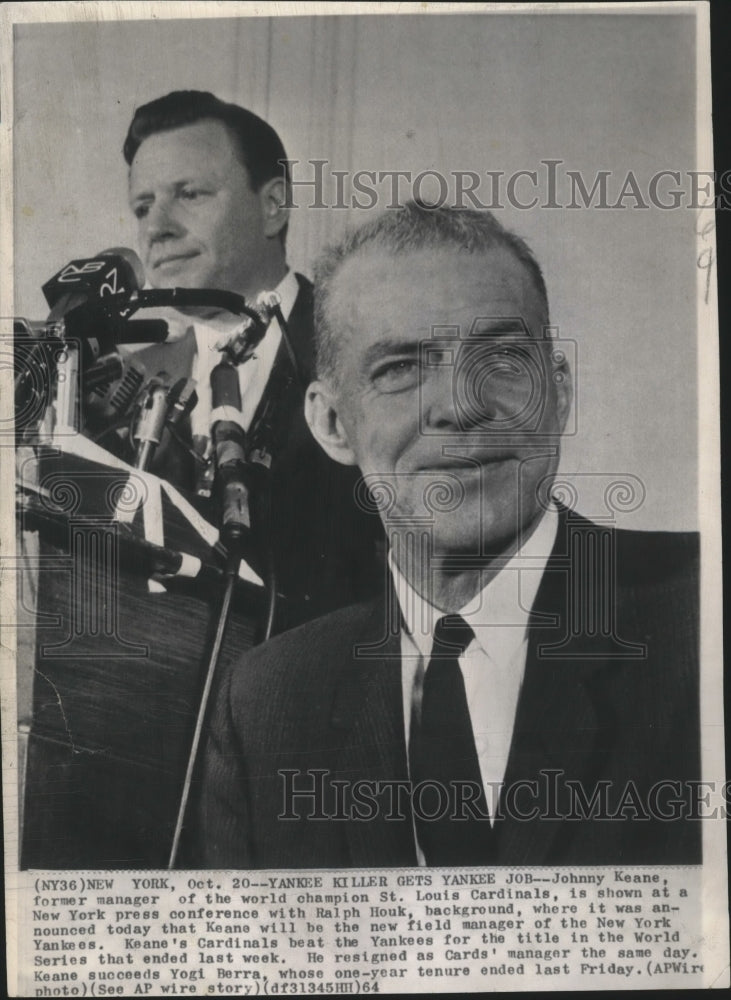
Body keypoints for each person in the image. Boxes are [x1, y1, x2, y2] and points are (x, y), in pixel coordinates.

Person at [193, 202, 700, 868]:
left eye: (501, 358)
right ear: (330, 424)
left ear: (559, 391)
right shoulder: (264, 705)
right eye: (399, 368)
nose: (460, 406)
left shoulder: (699, 611)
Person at [118, 90, 382, 626]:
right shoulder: (130, 379)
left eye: (188, 194)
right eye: (142, 206)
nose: (155, 227)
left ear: (273, 205)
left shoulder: (367, 354)